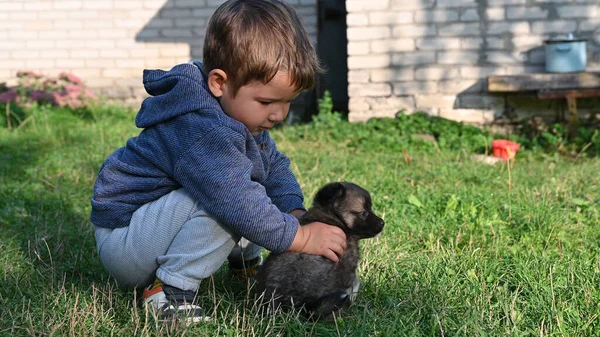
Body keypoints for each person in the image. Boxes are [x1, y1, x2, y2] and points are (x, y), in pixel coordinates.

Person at [90, 0, 347, 323]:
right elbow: (237, 201)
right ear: (219, 83)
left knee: (248, 182)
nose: (279, 114)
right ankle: (170, 290)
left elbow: (274, 167)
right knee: (233, 198)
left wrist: (296, 214)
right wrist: (302, 237)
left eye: (288, 102)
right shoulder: (205, 129)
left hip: (153, 228)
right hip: (127, 243)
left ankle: (243, 262)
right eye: (267, 101)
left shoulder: (236, 113)